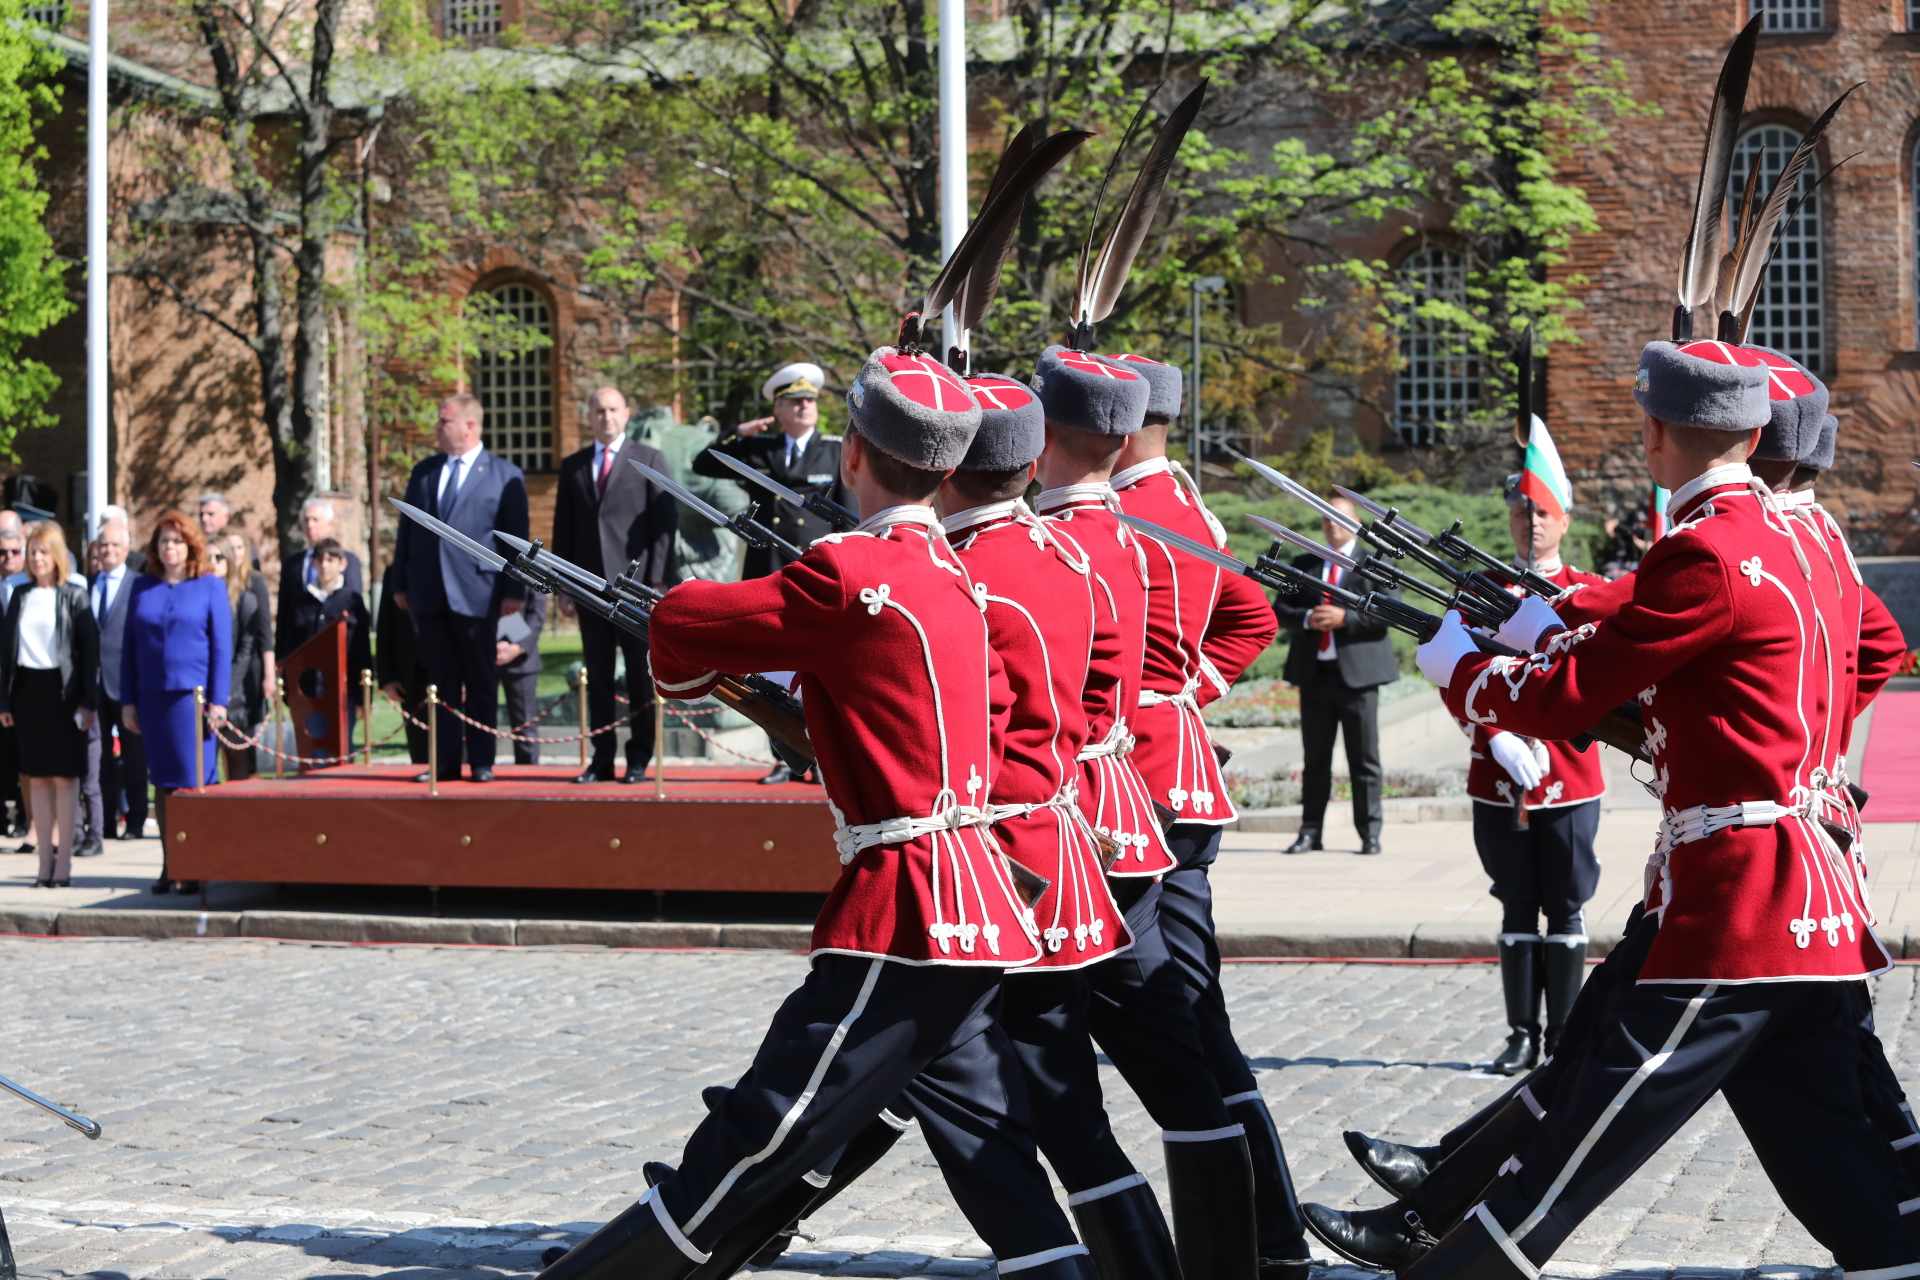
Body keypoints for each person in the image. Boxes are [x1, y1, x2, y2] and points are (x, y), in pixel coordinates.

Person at [541, 348, 1095, 1280]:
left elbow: (685, 626)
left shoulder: (852, 571)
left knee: (768, 1121)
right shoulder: (957, 573)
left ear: (850, 455)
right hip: (976, 900)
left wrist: (691, 668)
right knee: (993, 1158)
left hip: (909, 905)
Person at [1381, 339, 1919, 1276]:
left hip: (1741, 901)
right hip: (1805, 890)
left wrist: (1463, 670)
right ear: (1753, 434)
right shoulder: (1807, 538)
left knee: (1596, 1121)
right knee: (1840, 1141)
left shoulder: (1705, 549)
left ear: (1651, 431)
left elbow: (1566, 698)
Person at [1102, 351, 1311, 1277]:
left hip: (1131, 785)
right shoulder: (1187, 508)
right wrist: (1189, 688)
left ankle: (1255, 1233)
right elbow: (1251, 621)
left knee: (1174, 1020)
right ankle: (1271, 1230)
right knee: (1197, 1012)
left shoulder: (1119, 519)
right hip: (1179, 775)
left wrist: (1157, 695)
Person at [1465, 467, 1609, 1076]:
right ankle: (1522, 1035)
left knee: (1567, 905)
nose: (1533, 522)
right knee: (1516, 903)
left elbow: (1598, 679)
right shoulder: (1478, 590)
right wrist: (1494, 737)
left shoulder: (1588, 591)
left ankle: (1565, 1037)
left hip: (1570, 775)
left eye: (1545, 512)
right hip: (1499, 776)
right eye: (1523, 512)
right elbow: (1458, 670)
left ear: (1566, 521)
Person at [387, 394, 530, 784]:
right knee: (442, 682)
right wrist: (401, 580)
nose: (437, 427)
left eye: (443, 421)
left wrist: (514, 594)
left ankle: (482, 761)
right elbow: (407, 532)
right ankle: (446, 762)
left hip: (479, 594)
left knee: (481, 680)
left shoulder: (503, 474)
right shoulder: (425, 472)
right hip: (430, 594)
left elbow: (516, 541)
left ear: (469, 426)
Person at [551, 386, 677, 783]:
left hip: (636, 588)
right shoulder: (573, 467)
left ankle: (639, 757)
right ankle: (601, 758)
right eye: (598, 410)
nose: (606, 416)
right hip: (589, 587)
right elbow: (564, 530)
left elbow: (664, 526)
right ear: (588, 417)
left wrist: (658, 579)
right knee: (599, 676)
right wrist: (563, 586)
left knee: (640, 678)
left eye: (613, 410)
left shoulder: (648, 459)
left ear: (626, 414)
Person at [1269, 493, 1400, 856]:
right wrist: (1308, 618)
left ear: (1355, 522)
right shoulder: (1305, 563)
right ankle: (1310, 832)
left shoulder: (1376, 563)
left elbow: (1392, 611)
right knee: (1315, 761)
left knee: (1365, 760)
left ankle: (1369, 833)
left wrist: (1347, 618)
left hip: (1358, 676)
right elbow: (1281, 608)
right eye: (1326, 518)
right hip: (1315, 675)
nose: (1332, 524)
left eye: (1339, 517)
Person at [121, 511, 231, 895]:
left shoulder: (209, 586)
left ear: (191, 546)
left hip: (193, 700)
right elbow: (129, 647)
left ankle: (197, 864)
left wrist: (219, 700)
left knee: (194, 782)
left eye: (177, 541)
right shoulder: (142, 587)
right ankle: (171, 865)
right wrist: (128, 699)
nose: (170, 548)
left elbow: (221, 646)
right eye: (164, 541)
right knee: (163, 784)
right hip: (153, 699)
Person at [0, 523, 98, 888]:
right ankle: (44, 864)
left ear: (56, 554)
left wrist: (89, 702)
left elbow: (90, 656)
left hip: (64, 695)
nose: (36, 559)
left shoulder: (75, 595)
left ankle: (64, 866)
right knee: (36, 777)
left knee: (65, 777)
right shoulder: (19, 595)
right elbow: (6, 654)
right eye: (32, 552)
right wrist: (5, 700)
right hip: (28, 694)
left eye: (43, 552)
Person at [692, 361, 853, 579]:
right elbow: (703, 464)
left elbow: (848, 518)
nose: (804, 405)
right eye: (796, 401)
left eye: (810, 400)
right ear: (778, 410)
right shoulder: (760, 448)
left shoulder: (835, 451)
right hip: (765, 561)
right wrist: (736, 433)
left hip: (813, 561)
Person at [90, 520, 148, 840]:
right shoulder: (89, 583)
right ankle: (105, 821)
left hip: (127, 684)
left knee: (134, 755)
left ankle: (136, 818)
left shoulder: (139, 585)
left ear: (126, 549)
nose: (109, 550)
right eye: (104, 545)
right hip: (93, 686)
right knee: (98, 757)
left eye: (115, 545)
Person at [210, 534, 271, 780]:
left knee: (239, 761)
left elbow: (247, 649)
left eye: (218, 557)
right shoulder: (194, 598)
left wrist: (225, 688)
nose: (212, 563)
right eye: (207, 558)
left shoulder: (245, 598)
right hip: (204, 693)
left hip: (236, 691)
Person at [276, 497, 364, 656]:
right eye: (306, 520)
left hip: (339, 648)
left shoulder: (349, 561)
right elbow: (285, 612)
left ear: (329, 524)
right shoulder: (292, 564)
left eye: (315, 519)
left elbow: (354, 606)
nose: (310, 525)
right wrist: (281, 656)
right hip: (301, 648)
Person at [375, 566, 431, 766]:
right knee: (420, 753)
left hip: (446, 671)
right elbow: (385, 626)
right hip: (410, 675)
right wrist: (387, 678)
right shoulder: (395, 572)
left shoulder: (452, 561)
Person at [496, 588, 547, 766]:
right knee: (475, 721)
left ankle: (528, 776)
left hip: (522, 659)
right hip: (483, 653)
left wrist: (518, 647)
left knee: (525, 725)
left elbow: (538, 612)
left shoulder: (528, 564)